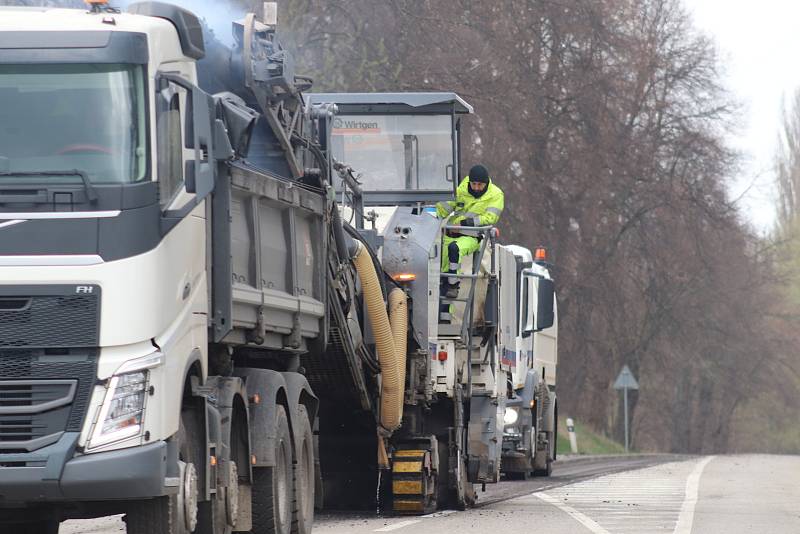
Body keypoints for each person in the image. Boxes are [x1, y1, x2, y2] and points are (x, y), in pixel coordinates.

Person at [436, 165, 504, 319]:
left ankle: (454, 284)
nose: (477, 188)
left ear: (486, 184)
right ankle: (444, 318)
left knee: (455, 249)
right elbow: (445, 208)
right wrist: (431, 212)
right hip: (452, 232)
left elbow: (490, 218)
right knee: (442, 273)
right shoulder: (461, 189)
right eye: (474, 184)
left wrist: (466, 223)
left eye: (480, 185)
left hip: (473, 236)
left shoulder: (496, 195)